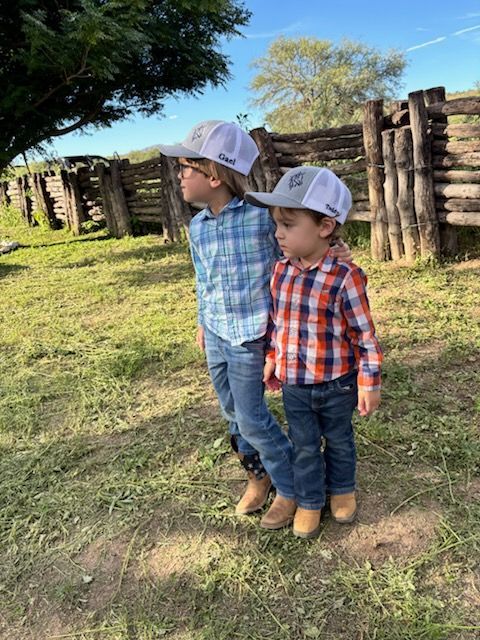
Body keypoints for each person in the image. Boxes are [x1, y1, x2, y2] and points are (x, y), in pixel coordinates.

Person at [159, 121, 351, 529]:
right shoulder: (197, 228)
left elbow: (298, 247)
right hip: (215, 330)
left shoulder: (261, 218)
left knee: (250, 416)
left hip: (251, 335)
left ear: (213, 175)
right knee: (231, 410)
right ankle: (257, 474)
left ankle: (290, 487)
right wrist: (201, 322)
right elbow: (203, 279)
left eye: (186, 167)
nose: (179, 175)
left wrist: (335, 253)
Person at [245, 166, 382, 538]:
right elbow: (278, 324)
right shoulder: (280, 272)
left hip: (337, 383)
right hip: (296, 386)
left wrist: (369, 382)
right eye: (277, 224)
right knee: (304, 445)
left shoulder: (345, 276)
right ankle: (309, 501)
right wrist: (274, 357)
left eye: (288, 225)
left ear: (324, 227)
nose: (278, 233)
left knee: (338, 439)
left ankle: (342, 488)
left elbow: (364, 335)